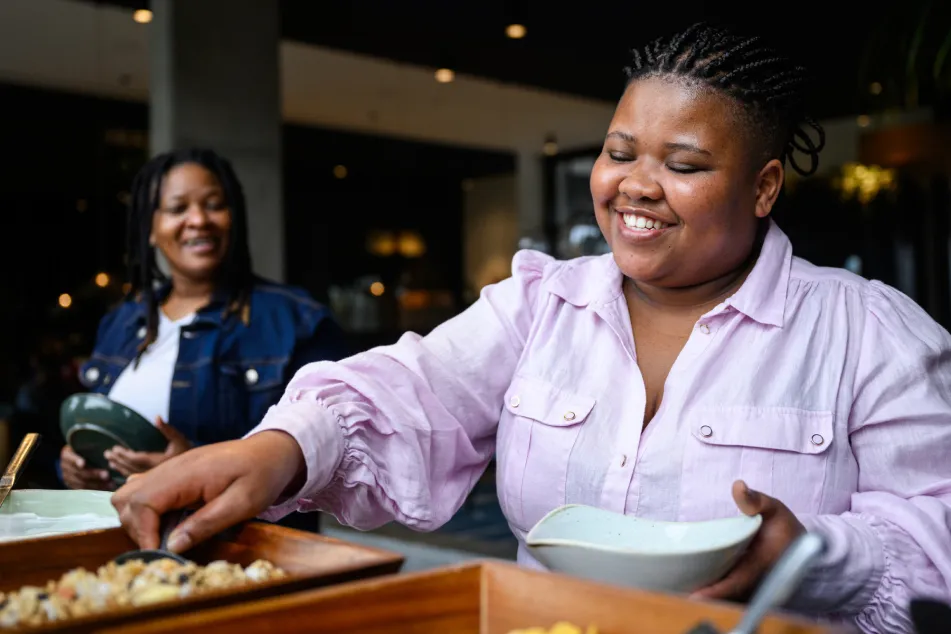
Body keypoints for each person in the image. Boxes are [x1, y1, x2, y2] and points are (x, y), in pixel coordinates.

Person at [111, 25, 951, 633]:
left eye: (683, 165)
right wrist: (274, 450)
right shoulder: (542, 304)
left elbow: (940, 534)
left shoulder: (866, 331)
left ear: (764, 186)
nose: (636, 186)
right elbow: (408, 390)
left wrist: (814, 553)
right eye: (620, 152)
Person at [60, 148, 347, 498]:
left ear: (233, 218)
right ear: (150, 228)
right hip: (118, 539)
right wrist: (76, 468)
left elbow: (335, 447)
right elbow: (95, 435)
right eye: (178, 208)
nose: (198, 219)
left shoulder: (297, 320)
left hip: (240, 546)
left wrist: (194, 467)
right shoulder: (121, 322)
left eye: (213, 204)